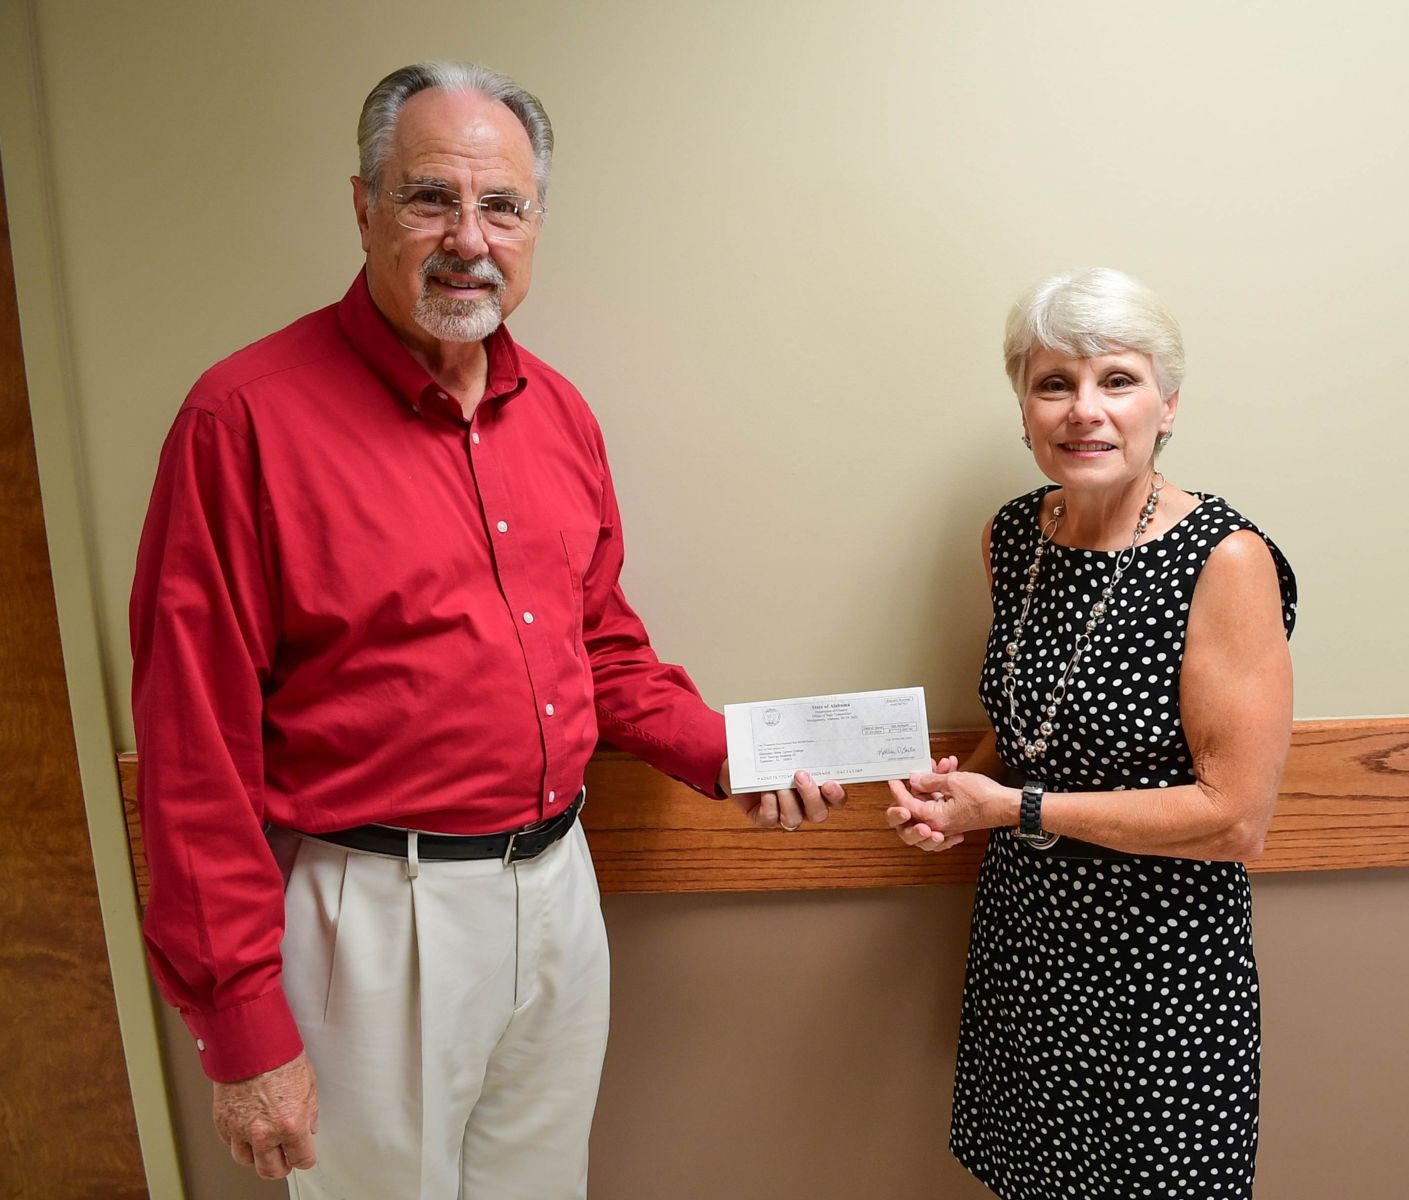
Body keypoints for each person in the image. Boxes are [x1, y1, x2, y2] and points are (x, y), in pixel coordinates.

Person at [130, 61, 843, 1200]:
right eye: (429, 198)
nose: (469, 236)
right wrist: (241, 1029)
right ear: (362, 208)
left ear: (534, 224)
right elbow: (192, 749)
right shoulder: (242, 420)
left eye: (501, 206)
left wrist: (731, 754)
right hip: (375, 917)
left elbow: (601, 648)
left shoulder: (556, 411)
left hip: (558, 892)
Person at [885, 267, 1295, 1199]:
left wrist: (1014, 809)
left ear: (1168, 404)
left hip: (1159, 976)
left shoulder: (1225, 561)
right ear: (1022, 408)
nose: (1084, 411)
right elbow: (1025, 734)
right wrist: (960, 801)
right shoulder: (1015, 536)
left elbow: (1235, 820)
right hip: (1028, 948)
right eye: (1052, 383)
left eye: (1117, 380)